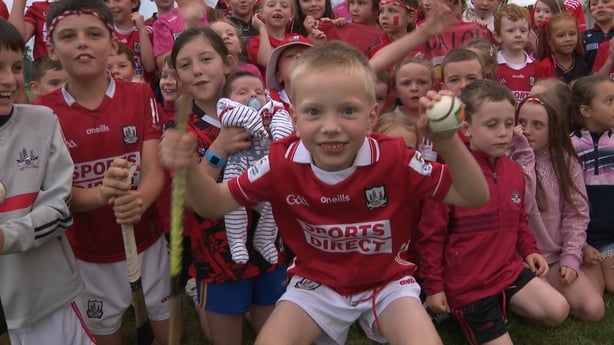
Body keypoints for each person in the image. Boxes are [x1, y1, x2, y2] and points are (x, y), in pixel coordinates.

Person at [159, 39, 490, 345]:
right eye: (314, 112)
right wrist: (187, 165)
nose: (331, 126)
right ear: (295, 118)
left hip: (386, 284)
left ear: (372, 116)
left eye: (348, 110)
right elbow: (213, 204)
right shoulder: (281, 161)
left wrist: (448, 142)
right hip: (315, 285)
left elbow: (474, 196)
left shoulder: (394, 158)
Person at [34, 1, 170, 344]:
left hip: (147, 242)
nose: (82, 42)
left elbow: (155, 170)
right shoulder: (41, 113)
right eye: (69, 36)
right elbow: (55, 194)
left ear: (111, 43)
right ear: (51, 48)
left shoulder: (139, 95)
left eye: (93, 34)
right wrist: (100, 195)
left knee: (168, 333)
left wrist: (140, 199)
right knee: (107, 335)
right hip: (88, 255)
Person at [418, 80, 570, 345]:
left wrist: (530, 250)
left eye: (509, 124)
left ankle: (502, 303)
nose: (504, 133)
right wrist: (433, 288)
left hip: (506, 271)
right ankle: (453, 310)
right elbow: (431, 238)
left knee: (558, 311)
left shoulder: (513, 172)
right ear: (466, 128)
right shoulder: (449, 174)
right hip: (468, 286)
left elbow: (519, 220)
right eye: (492, 125)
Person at [166, 26, 287, 345]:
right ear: (176, 76)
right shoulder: (180, 130)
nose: (197, 70)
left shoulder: (264, 109)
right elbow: (189, 203)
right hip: (218, 256)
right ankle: (202, 298)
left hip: (268, 245)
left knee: (272, 331)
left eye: (206, 59)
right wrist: (219, 149)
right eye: (185, 65)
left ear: (228, 62)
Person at [0, 17, 94, 345]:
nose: (9, 80)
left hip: (45, 296)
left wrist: (6, 237)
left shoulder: (41, 121)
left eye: (15, 67)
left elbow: (60, 208)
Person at [515, 92, 606, 322]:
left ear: (554, 129)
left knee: (594, 310)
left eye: (537, 125)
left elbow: (576, 214)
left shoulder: (565, 160)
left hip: (554, 255)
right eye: (521, 122)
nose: (526, 130)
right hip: (520, 257)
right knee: (556, 311)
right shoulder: (510, 158)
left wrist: (571, 258)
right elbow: (520, 206)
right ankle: (516, 295)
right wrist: (524, 156)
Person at [217, 71, 294, 264]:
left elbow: (283, 119)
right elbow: (234, 115)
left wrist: (279, 135)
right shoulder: (226, 107)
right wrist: (256, 123)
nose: (252, 95)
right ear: (228, 97)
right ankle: (236, 242)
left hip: (264, 168)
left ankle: (264, 239)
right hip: (239, 168)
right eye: (243, 92)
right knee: (233, 205)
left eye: (258, 91)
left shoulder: (272, 107)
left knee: (273, 203)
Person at [570, 74, 614, 295]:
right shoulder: (569, 146)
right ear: (586, 111)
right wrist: (582, 244)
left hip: (610, 236)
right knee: (596, 290)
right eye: (609, 101)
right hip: (583, 237)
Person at [494, 4, 537, 106]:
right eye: (511, 30)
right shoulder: (492, 66)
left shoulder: (536, 66)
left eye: (523, 30)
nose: (518, 35)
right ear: (498, 36)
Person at [104, 0, 155, 79]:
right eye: (106, 1)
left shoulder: (147, 31)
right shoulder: (105, 33)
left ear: (134, 3)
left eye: (117, 0)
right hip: (115, 89)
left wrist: (141, 30)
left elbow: (149, 67)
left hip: (142, 89)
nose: (111, 6)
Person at [536, 13, 588, 83]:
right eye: (561, 35)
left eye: (572, 34)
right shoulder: (544, 66)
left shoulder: (582, 65)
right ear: (549, 40)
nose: (568, 39)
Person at [266, 35, 314, 110]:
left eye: (307, 55)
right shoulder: (269, 103)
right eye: (290, 56)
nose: (299, 56)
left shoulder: (329, 97)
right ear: (278, 76)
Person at [582, 0, 614, 71]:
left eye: (606, 2)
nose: (599, 6)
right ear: (590, 11)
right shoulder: (583, 38)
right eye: (594, 4)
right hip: (591, 81)